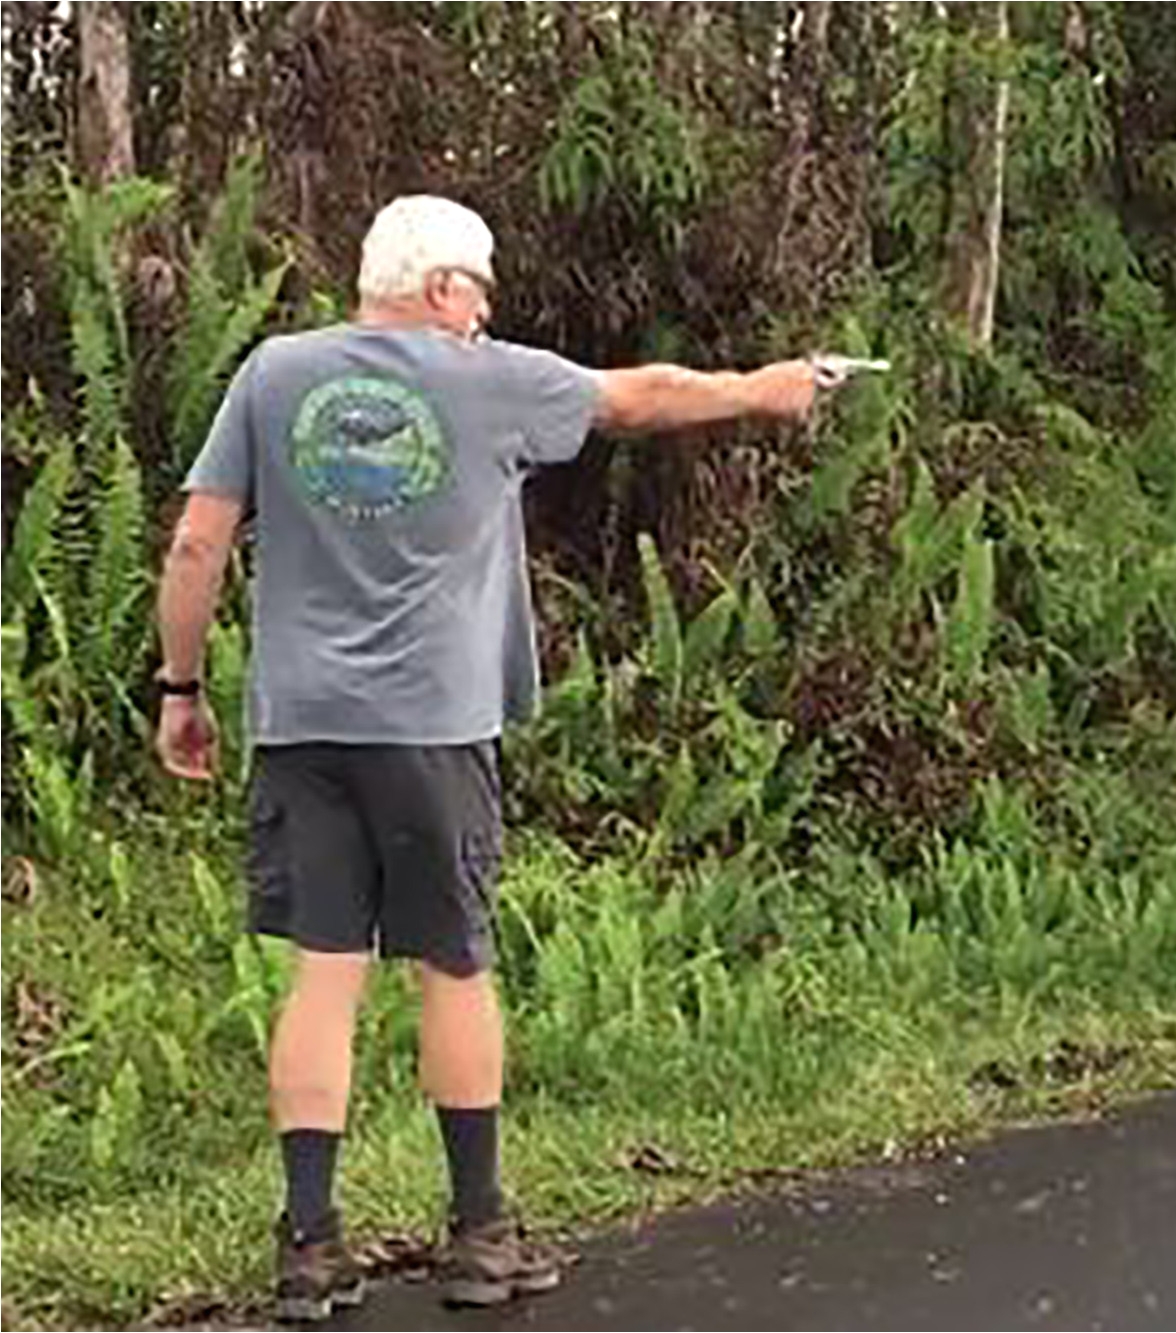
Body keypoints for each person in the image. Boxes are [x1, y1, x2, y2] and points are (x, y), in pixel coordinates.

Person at [153, 195, 830, 1321]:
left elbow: (194, 539)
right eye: (482, 291)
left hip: (303, 726)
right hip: (433, 728)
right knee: (453, 965)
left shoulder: (273, 374)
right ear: (440, 288)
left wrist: (180, 689)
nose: (484, 311)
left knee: (323, 973)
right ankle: (478, 1232)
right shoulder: (488, 379)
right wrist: (766, 387)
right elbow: (640, 397)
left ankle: (310, 1245)